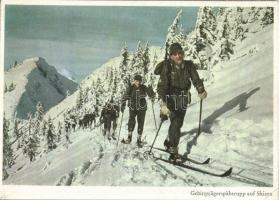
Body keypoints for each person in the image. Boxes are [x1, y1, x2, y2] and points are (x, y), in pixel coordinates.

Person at [154, 42, 207, 162]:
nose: (178, 56)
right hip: (170, 98)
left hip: (183, 98)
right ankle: (173, 150)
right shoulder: (167, 67)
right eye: (175, 54)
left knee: (178, 123)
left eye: (180, 53)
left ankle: (168, 141)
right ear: (171, 56)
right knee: (176, 123)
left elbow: (196, 79)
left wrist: (200, 90)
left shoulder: (189, 65)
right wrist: (162, 103)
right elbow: (161, 87)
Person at [121, 74, 155, 147]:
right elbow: (125, 96)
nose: (138, 82)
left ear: (141, 81)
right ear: (134, 81)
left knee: (141, 122)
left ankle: (139, 140)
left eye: (139, 81)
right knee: (131, 121)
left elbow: (151, 95)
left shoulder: (144, 87)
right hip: (132, 107)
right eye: (136, 81)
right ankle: (129, 137)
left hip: (142, 107)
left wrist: (151, 91)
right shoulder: (131, 88)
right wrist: (123, 104)